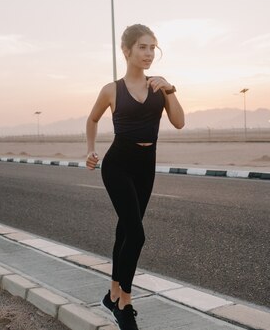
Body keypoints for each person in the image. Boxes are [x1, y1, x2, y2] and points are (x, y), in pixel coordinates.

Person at [86, 24, 185, 329]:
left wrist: (169, 89)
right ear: (126, 50)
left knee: (125, 231)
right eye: (142, 47)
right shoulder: (111, 90)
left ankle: (112, 294)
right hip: (117, 164)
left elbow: (179, 122)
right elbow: (92, 119)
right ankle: (124, 304)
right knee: (137, 234)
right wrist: (90, 150)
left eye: (153, 48)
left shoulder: (159, 87)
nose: (148, 53)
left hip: (146, 165)